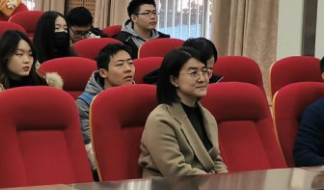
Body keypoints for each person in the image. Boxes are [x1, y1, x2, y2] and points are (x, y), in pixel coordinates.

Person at [0, 30, 63, 152]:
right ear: (5, 57)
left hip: (46, 152)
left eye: (30, 54)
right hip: (6, 155)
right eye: (19, 54)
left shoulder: (45, 90)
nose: (27, 60)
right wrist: (11, 147)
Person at [139, 47, 227, 177]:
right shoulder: (160, 120)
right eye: (193, 73)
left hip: (206, 184)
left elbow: (216, 160)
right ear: (174, 80)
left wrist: (226, 181)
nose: (202, 79)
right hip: (170, 187)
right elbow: (176, 170)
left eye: (204, 72)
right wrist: (215, 183)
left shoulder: (208, 116)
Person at [76, 43, 136, 166]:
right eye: (120, 65)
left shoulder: (141, 99)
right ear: (103, 73)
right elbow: (91, 146)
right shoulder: (85, 104)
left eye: (130, 63)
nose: (128, 69)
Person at [143, 37, 221, 85]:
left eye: (208, 71)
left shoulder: (215, 83)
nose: (204, 78)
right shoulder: (162, 87)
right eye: (194, 72)